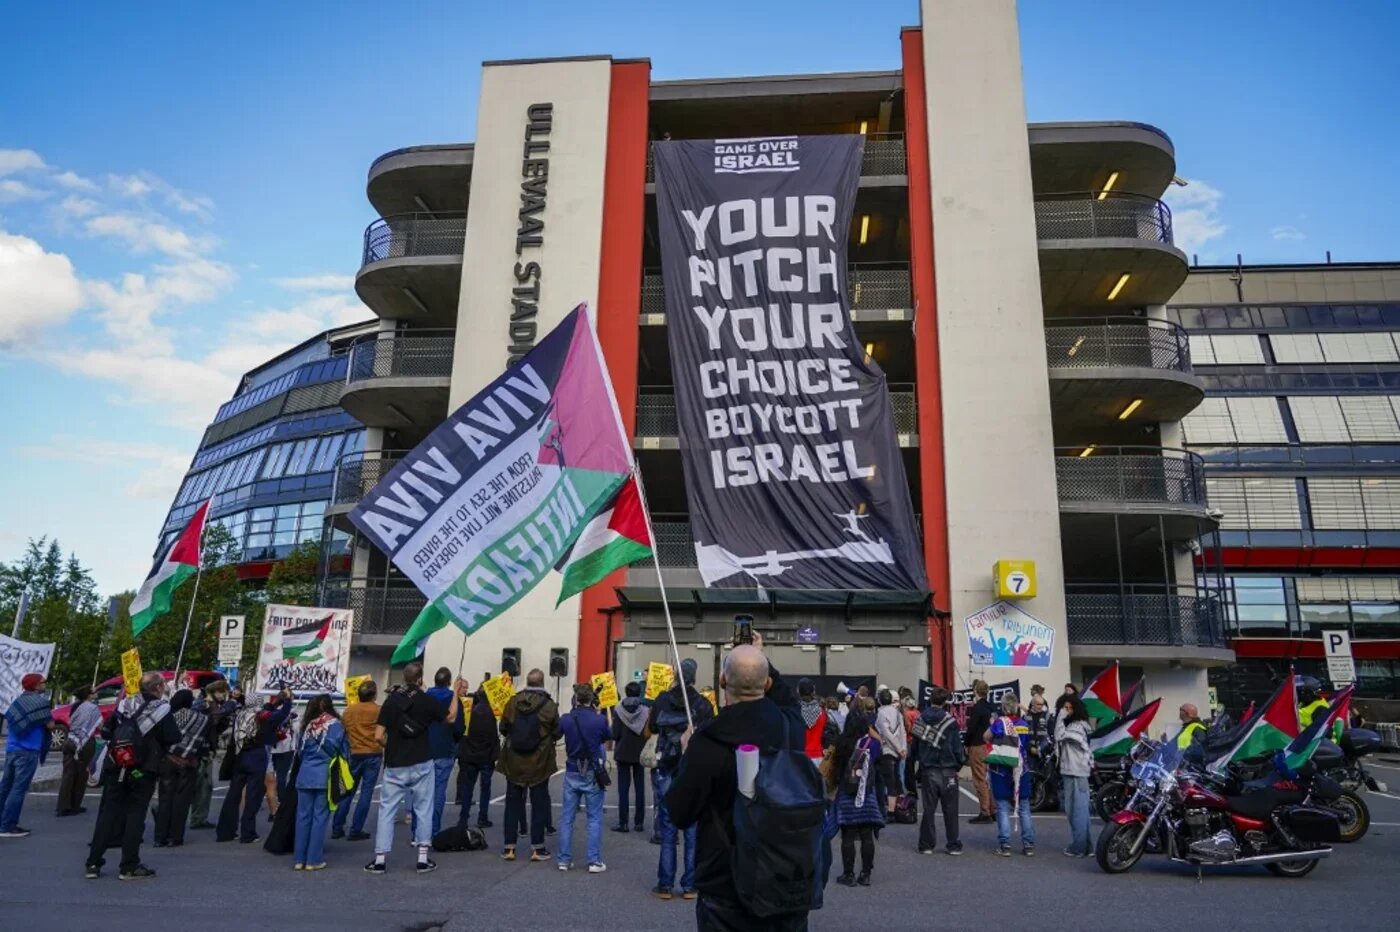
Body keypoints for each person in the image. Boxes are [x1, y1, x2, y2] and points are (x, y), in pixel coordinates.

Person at [665, 632, 813, 930]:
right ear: (767, 683)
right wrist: (760, 656)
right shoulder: (790, 727)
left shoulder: (707, 742)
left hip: (726, 883)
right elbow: (787, 698)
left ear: (722, 682)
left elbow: (679, 812)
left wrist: (686, 755)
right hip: (786, 878)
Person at [84, 672, 180, 879]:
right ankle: (129, 865)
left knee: (109, 813)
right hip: (142, 769)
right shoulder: (161, 709)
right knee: (135, 814)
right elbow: (173, 737)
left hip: (117, 764)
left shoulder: (124, 704)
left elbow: (107, 731)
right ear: (158, 688)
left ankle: (93, 863)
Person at [365, 662, 458, 874]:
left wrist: (390, 746)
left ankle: (380, 859)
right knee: (423, 808)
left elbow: (378, 735)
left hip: (395, 762)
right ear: (420, 679)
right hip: (422, 760)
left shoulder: (391, 702)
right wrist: (455, 695)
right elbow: (450, 718)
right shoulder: (427, 701)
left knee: (387, 809)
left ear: (405, 678)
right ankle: (423, 857)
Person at [650, 657, 715, 901]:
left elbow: (654, 728)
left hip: (666, 766)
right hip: (692, 769)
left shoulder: (662, 700)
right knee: (692, 831)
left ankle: (665, 885)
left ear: (676, 675)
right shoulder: (702, 704)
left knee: (667, 829)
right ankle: (690, 885)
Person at [498, 668, 560, 864]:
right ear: (542, 682)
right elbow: (557, 732)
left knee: (512, 804)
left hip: (514, 759)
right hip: (540, 760)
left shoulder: (512, 702)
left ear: (527, 681)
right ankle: (537, 848)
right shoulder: (549, 705)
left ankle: (509, 847)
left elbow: (503, 727)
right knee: (539, 804)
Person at [217, 689, 293, 844]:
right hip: (256, 755)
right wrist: (288, 701)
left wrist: (275, 702)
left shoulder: (241, 714)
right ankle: (248, 833)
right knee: (253, 796)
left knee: (233, 795)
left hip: (239, 756)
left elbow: (267, 710)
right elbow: (281, 715)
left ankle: (226, 831)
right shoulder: (261, 717)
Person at [557, 682, 611, 873]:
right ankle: (594, 861)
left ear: (576, 699)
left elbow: (556, 735)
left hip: (572, 768)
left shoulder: (566, 718)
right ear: (591, 700)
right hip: (592, 769)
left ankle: (564, 859)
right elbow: (606, 737)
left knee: (567, 818)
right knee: (594, 818)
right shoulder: (599, 720)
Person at [293, 694, 350, 870]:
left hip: (305, 774)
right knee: (320, 818)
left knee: (302, 817)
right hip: (326, 774)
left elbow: (299, 752)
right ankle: (313, 859)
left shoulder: (307, 725)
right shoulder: (336, 725)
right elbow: (345, 751)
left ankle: (299, 858)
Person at [833, 697, 884, 887]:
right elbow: (880, 749)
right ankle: (866, 873)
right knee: (866, 835)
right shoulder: (872, 744)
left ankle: (848, 874)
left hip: (847, 792)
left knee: (848, 835)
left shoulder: (842, 743)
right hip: (866, 793)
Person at [913, 685, 966, 855]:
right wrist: (958, 764)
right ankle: (953, 844)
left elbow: (915, 747)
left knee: (928, 809)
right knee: (951, 809)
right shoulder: (950, 722)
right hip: (948, 768)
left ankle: (927, 844)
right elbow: (957, 747)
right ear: (945, 701)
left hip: (929, 769)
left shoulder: (920, 720)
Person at [153, 689, 209, 848]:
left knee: (165, 799)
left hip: (168, 759)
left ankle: (160, 837)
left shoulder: (169, 716)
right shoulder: (202, 718)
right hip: (188, 761)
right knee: (182, 801)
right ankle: (175, 837)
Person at [1, 672, 53, 838]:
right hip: (28, 750)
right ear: (36, 685)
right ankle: (8, 825)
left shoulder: (18, 701)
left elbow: (10, 719)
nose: (45, 685)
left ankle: (2, 821)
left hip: (12, 748)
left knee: (5, 787)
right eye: (43, 682)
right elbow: (50, 725)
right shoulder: (41, 703)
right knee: (18, 789)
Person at [332, 679, 382, 841]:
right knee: (366, 792)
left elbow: (343, 730)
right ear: (374, 695)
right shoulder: (378, 710)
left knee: (346, 790)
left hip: (353, 753)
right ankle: (356, 828)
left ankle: (337, 826)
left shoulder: (349, 711)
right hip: (373, 753)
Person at [986, 693, 1034, 856]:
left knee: (1002, 806)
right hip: (1021, 768)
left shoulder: (1000, 723)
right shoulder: (1023, 724)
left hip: (1001, 769)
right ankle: (1028, 844)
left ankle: (1005, 844)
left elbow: (986, 737)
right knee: (1024, 807)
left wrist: (992, 724)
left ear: (1004, 707)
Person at [424, 667, 466, 838]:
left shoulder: (425, 697)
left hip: (425, 749)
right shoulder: (453, 699)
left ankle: (417, 832)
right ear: (449, 682)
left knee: (422, 792)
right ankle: (433, 830)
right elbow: (459, 727)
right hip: (445, 748)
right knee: (439, 791)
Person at [189, 680, 235, 830]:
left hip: (206, 749)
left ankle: (199, 817)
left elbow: (217, 726)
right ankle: (196, 818)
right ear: (215, 692)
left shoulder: (213, 705)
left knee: (205, 787)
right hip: (199, 750)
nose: (224, 696)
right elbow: (210, 720)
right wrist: (225, 710)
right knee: (198, 786)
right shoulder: (202, 704)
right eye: (223, 693)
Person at [455, 682, 499, 831]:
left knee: (468, 787)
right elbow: (494, 736)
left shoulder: (469, 710)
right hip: (486, 756)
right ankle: (483, 816)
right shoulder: (492, 713)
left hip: (470, 754)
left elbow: (463, 733)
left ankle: (463, 817)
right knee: (485, 788)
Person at [1054, 694, 1093, 858]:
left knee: (1076, 812)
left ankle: (1078, 847)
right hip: (1074, 771)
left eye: (1069, 707)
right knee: (1079, 811)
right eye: (1064, 707)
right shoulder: (1077, 724)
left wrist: (1060, 718)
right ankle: (1087, 846)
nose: (1066, 711)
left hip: (1076, 772)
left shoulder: (1078, 726)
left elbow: (1059, 736)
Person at [57, 685, 101, 817]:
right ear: (89, 695)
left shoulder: (75, 706)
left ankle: (62, 806)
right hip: (84, 743)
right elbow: (99, 725)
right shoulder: (92, 708)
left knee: (68, 774)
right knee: (81, 775)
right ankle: (75, 805)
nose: (96, 693)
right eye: (94, 691)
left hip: (70, 740)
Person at [611, 680, 649, 832]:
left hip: (622, 752)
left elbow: (615, 734)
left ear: (626, 693)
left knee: (623, 789)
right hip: (640, 752)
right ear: (639, 693)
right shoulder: (646, 711)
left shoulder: (618, 710)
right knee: (640, 788)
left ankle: (623, 822)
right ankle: (639, 822)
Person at [963, 680, 995, 824]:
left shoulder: (978, 708)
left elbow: (972, 728)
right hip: (990, 744)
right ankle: (992, 809)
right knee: (989, 779)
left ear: (976, 691)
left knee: (979, 778)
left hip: (978, 744)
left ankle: (985, 811)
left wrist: (966, 743)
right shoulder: (991, 707)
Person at [872, 688, 907, 819]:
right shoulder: (897, 713)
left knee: (889, 781)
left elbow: (886, 734)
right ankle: (899, 806)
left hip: (887, 750)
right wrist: (903, 749)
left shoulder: (880, 714)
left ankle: (891, 811)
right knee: (897, 780)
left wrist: (898, 748)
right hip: (899, 751)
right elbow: (902, 731)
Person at [265, 704, 298, 821]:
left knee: (271, 780)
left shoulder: (270, 713)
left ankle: (273, 808)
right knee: (281, 777)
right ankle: (281, 805)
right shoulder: (290, 713)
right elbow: (296, 729)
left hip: (271, 748)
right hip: (285, 748)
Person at [797, 678, 837, 766]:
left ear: (798, 691)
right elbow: (830, 734)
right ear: (813, 691)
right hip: (818, 757)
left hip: (798, 758)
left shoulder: (794, 712)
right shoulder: (822, 713)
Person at [1024, 694, 1051, 760]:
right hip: (1029, 751)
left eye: (1042, 704)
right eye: (1038, 704)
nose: (1040, 707)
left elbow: (1051, 734)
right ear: (1033, 704)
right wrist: (1030, 748)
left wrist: (1043, 748)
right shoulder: (1025, 716)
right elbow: (1022, 736)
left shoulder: (1047, 716)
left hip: (1044, 751)